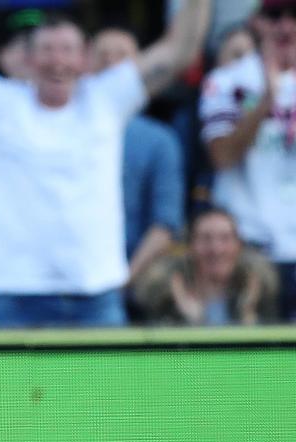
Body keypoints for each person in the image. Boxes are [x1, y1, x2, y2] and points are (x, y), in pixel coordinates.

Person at [0, 0, 212, 327]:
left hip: (96, 295)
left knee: (103, 382)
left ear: (84, 58)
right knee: (19, 382)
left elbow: (181, 50)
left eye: (67, 50)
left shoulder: (106, 98)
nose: (57, 61)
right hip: (18, 294)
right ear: (28, 59)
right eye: (47, 50)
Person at [199, 0, 296, 320]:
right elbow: (223, 157)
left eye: (293, 16)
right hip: (249, 249)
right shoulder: (227, 80)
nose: (285, 26)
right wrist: (266, 103)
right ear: (256, 21)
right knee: (255, 363)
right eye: (275, 16)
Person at [90, 27, 185, 282]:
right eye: (101, 54)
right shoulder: (56, 129)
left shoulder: (159, 140)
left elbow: (166, 223)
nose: (110, 62)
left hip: (139, 278)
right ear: (84, 63)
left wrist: (124, 280)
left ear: (139, 66)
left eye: (121, 55)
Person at [131, 208, 280, 325]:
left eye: (225, 238)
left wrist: (248, 315)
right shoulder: (164, 297)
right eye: (205, 238)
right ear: (189, 247)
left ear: (239, 245)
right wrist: (186, 320)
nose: (216, 249)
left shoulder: (261, 293)